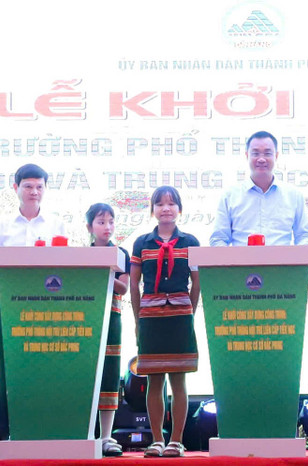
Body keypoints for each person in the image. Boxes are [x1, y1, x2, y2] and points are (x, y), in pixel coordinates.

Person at [0, 163, 66, 440]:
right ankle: (8, 433)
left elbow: (66, 264)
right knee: (7, 367)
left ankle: (49, 428)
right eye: (28, 186)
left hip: (49, 306)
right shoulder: (3, 226)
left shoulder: (56, 224)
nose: (34, 192)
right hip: (11, 303)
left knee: (48, 365)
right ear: (16, 188)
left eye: (39, 187)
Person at [129, 186, 200, 458]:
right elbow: (134, 284)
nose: (166, 208)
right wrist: (138, 319)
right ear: (153, 210)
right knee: (154, 380)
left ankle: (177, 441)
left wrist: (189, 312)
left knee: (179, 380)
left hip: (180, 316)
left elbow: (197, 283)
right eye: (160, 204)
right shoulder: (142, 243)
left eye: (171, 204)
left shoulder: (190, 241)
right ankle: (157, 439)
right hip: (150, 315)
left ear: (179, 209)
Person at [209, 130, 308, 246]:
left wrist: (299, 254)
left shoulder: (293, 195)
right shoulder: (230, 195)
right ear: (247, 155)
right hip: (242, 258)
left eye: (267, 153)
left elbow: (304, 236)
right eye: (255, 153)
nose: (261, 159)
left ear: (276, 156)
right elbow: (218, 239)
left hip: (282, 258)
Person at [86, 203, 130, 457]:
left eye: (111, 222)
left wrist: (102, 273)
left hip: (112, 318)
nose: (107, 227)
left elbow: (123, 288)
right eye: (101, 222)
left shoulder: (120, 253)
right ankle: (86, 434)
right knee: (87, 373)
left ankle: (106, 436)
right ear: (89, 227)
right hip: (87, 319)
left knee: (110, 373)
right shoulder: (82, 255)